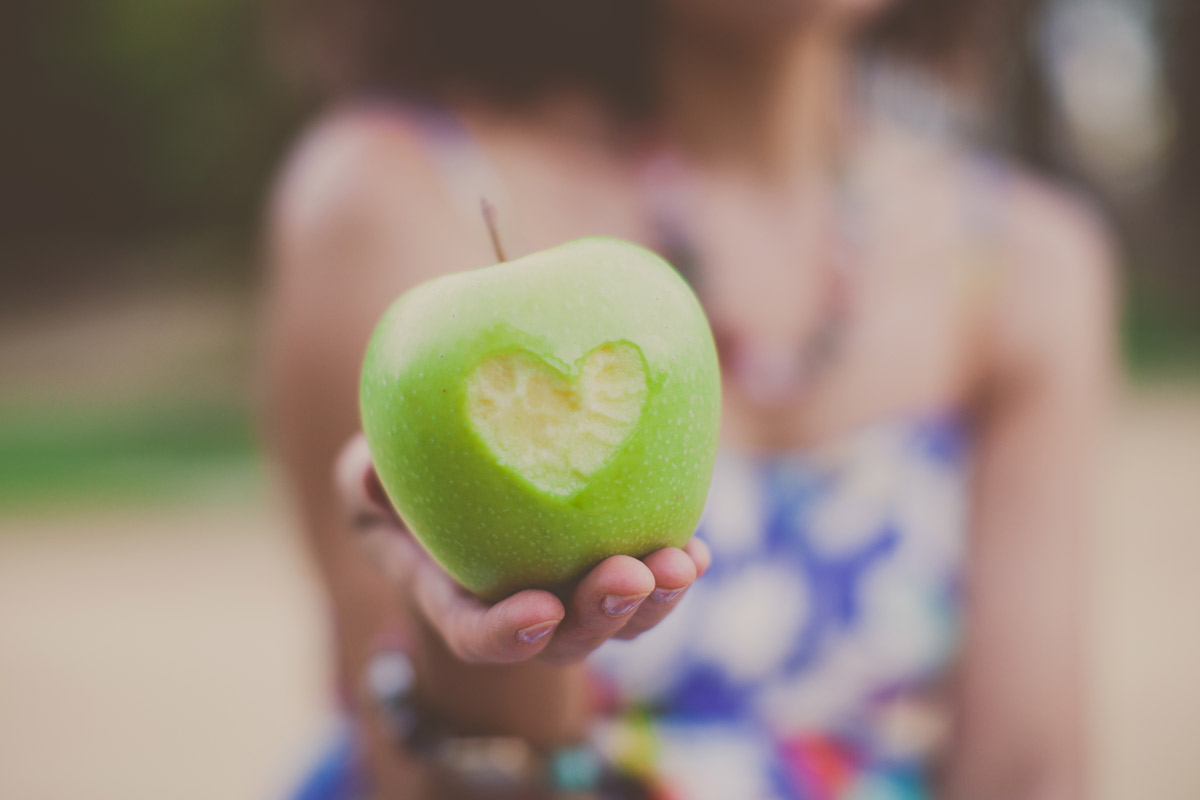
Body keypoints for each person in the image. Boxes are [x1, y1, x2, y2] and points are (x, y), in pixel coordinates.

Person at [264, 0, 1116, 797]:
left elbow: (1025, 775)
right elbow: (417, 777)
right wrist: (489, 657)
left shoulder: (1024, 263)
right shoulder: (402, 192)